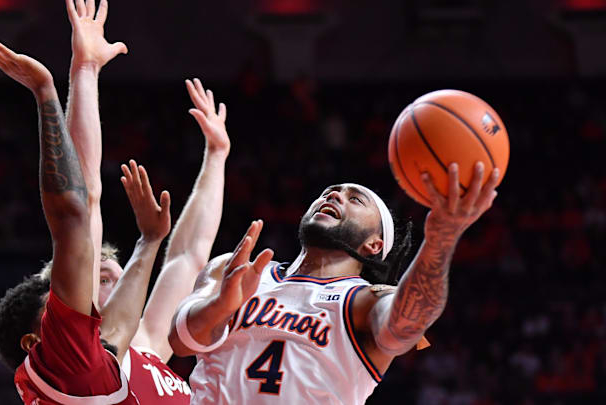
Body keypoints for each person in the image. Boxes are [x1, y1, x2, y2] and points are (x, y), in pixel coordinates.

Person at [169, 159, 500, 404]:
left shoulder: (364, 301)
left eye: (355, 199)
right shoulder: (233, 269)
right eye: (330, 192)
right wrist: (221, 306)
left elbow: (406, 326)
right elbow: (181, 342)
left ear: (375, 245)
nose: (336, 196)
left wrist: (441, 237)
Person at [0, 2, 170, 402]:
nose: (77, 296)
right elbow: (73, 216)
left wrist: (85, 71)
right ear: (35, 341)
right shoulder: (70, 366)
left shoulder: (92, 366)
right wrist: (45, 91)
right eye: (61, 302)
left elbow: (89, 195)